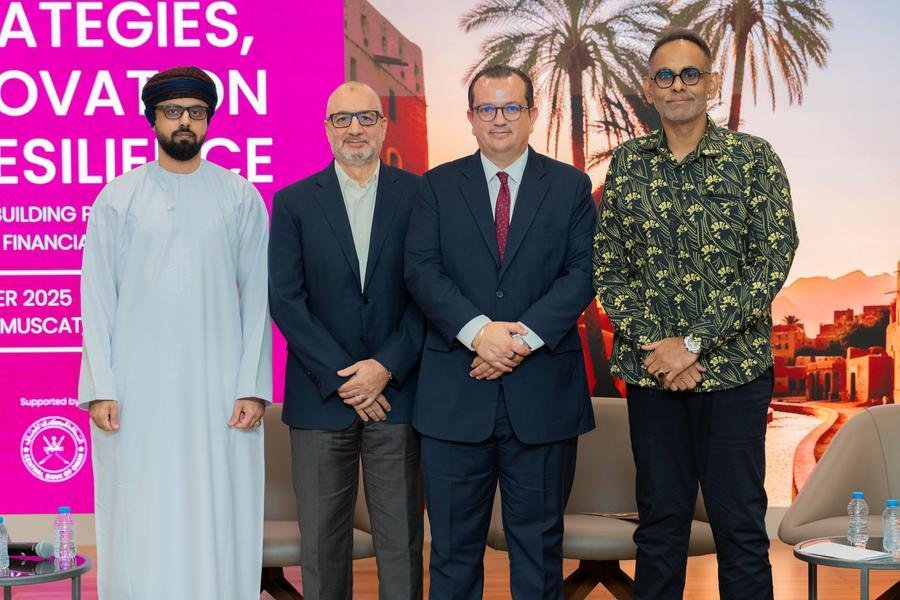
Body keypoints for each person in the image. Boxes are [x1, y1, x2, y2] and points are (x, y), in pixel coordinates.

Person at [594, 29, 799, 600]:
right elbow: (608, 267)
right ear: (649, 89)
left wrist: (694, 343)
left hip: (734, 376)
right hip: (652, 375)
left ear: (710, 83)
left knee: (739, 526)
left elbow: (772, 257)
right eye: (665, 75)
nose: (678, 85)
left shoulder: (753, 158)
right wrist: (662, 349)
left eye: (690, 74)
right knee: (660, 527)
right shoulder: (629, 164)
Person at [79, 66, 271, 599]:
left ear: (208, 120)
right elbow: (97, 298)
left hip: (219, 390)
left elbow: (259, 296)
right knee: (142, 508)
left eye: (196, 112)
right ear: (153, 118)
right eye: (173, 111)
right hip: (136, 392)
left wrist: (252, 387)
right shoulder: (118, 197)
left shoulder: (239, 196)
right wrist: (101, 387)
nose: (185, 121)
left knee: (218, 507)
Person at [405, 65, 596, 599]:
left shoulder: (570, 187)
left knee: (539, 554)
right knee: (451, 555)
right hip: (455, 396)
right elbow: (421, 270)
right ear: (470, 118)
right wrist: (478, 333)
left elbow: (583, 273)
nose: (499, 119)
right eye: (487, 108)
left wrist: (518, 340)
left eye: (512, 107)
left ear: (532, 114)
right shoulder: (437, 186)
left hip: (542, 398)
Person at [268, 81, 425, 600]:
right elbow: (286, 301)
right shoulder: (293, 202)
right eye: (342, 119)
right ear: (326, 129)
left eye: (365, 117)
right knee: (321, 545)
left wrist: (384, 367)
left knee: (401, 543)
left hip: (397, 395)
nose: (354, 128)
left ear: (383, 126)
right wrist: (346, 378)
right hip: (320, 398)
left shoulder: (421, 196)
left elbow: (430, 292)